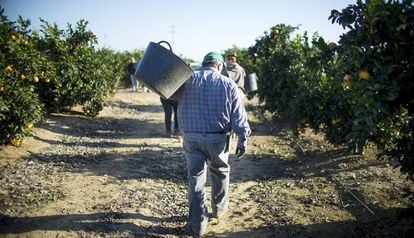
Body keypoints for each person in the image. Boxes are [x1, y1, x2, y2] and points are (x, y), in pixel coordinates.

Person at [177, 52, 251, 236]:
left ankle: (198, 225)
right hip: (217, 139)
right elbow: (238, 116)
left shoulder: (186, 81)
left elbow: (168, 95)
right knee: (220, 172)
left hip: (192, 137)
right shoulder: (228, 84)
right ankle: (218, 210)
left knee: (196, 179)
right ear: (219, 66)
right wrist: (243, 138)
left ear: (204, 64)